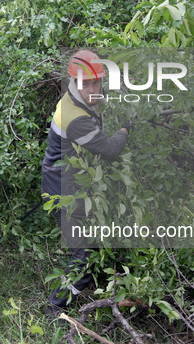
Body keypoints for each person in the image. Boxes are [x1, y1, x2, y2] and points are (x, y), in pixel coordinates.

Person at [41, 50, 131, 317]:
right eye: (87, 83)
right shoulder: (76, 116)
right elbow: (108, 148)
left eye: (97, 82)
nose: (93, 88)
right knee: (84, 258)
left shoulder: (73, 101)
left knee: (83, 250)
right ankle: (54, 310)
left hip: (65, 184)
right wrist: (125, 130)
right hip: (64, 191)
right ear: (74, 82)